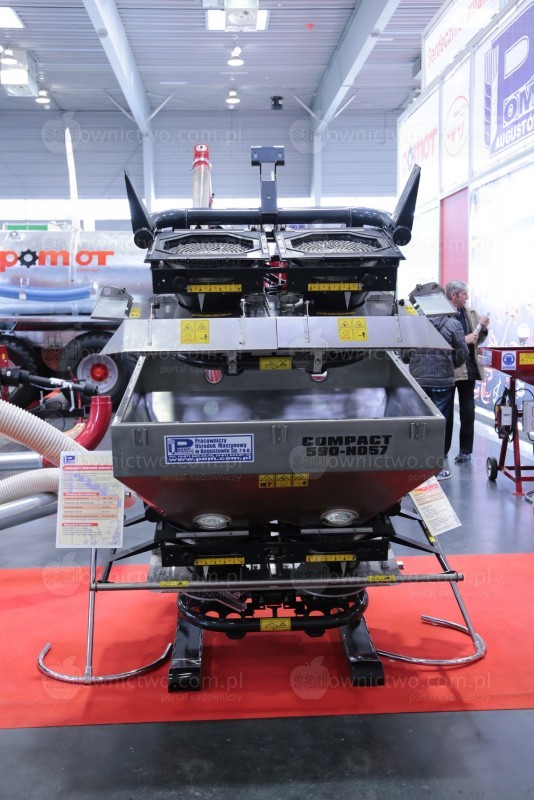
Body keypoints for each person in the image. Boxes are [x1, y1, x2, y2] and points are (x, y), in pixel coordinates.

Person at [407, 304, 468, 480]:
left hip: (418, 381)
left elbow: (404, 353)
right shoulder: (453, 324)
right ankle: (435, 469)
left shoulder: (413, 323)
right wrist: (450, 364)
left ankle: (416, 467)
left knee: (418, 423)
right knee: (439, 425)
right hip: (442, 382)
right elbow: (462, 353)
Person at [445, 280, 490, 463]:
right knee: (446, 413)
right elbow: (441, 340)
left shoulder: (471, 313)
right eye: (464, 294)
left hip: (469, 369)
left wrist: (483, 329)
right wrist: (465, 339)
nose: (467, 297)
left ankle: (465, 451)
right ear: (453, 295)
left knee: (468, 412)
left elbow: (477, 340)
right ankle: (442, 451)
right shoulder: (441, 314)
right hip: (449, 370)